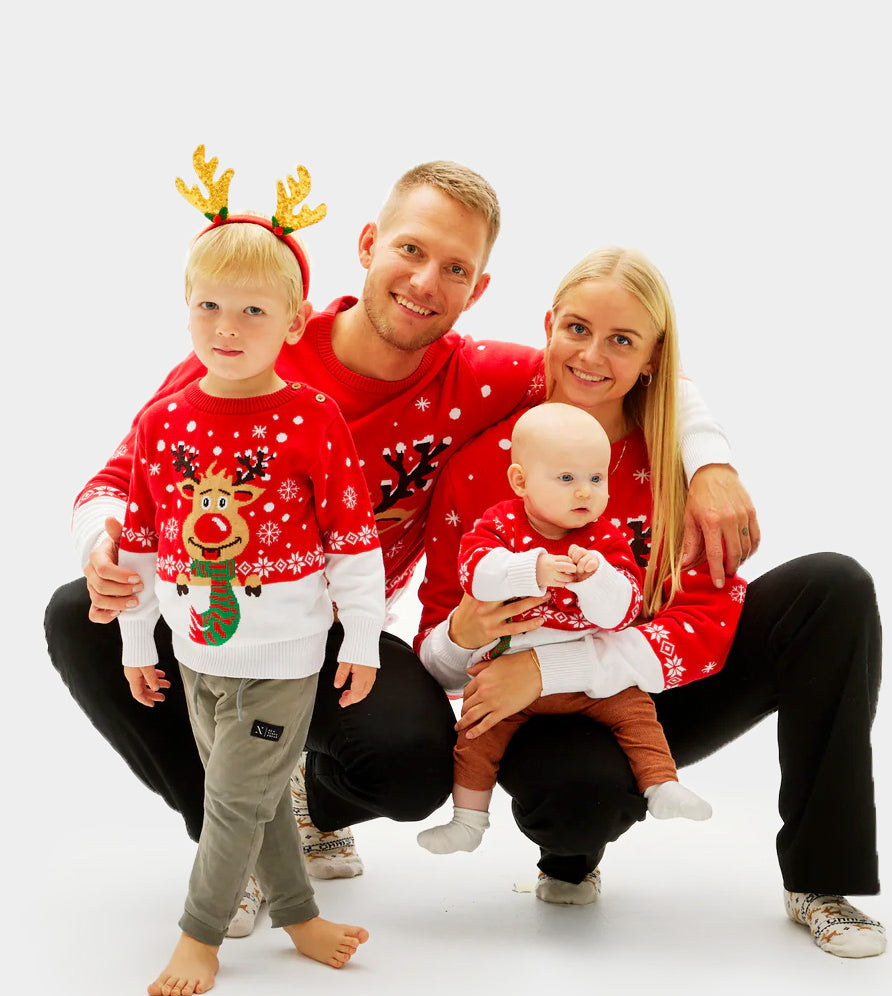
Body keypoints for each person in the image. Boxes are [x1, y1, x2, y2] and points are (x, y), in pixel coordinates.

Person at [44, 154, 755, 938]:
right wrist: (104, 542)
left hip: (333, 632)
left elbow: (617, 369)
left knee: (414, 764)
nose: (425, 281)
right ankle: (228, 843)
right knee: (82, 611)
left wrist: (710, 460)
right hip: (215, 609)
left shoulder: (484, 379)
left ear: (478, 289)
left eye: (455, 267)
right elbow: (117, 474)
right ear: (369, 243)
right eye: (412, 250)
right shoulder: (263, 337)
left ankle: (305, 801)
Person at [416, 246, 885, 958]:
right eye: (576, 328)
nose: (592, 355)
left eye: (621, 340)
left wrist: (554, 667)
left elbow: (705, 620)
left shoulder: (677, 463)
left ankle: (822, 882)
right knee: (575, 803)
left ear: (652, 360)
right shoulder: (483, 467)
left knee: (836, 586)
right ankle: (572, 854)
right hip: (538, 716)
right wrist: (466, 634)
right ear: (547, 326)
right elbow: (440, 662)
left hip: (655, 692)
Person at [120, 156, 382, 994]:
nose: (226, 327)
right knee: (261, 796)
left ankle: (201, 937)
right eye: (209, 306)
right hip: (198, 652)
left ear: (295, 320)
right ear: (185, 308)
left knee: (231, 797)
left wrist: (363, 639)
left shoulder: (313, 417)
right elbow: (141, 543)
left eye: (253, 311)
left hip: (285, 657)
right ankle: (299, 915)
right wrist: (137, 642)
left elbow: (352, 539)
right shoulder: (162, 422)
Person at [418, 403, 713, 855]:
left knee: (637, 713)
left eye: (596, 479)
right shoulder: (500, 525)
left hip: (586, 682)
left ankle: (661, 786)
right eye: (567, 479)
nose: (585, 493)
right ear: (521, 481)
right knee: (475, 735)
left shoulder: (605, 537)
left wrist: (598, 578)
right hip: (507, 678)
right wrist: (530, 569)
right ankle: (468, 819)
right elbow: (475, 572)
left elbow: (623, 612)